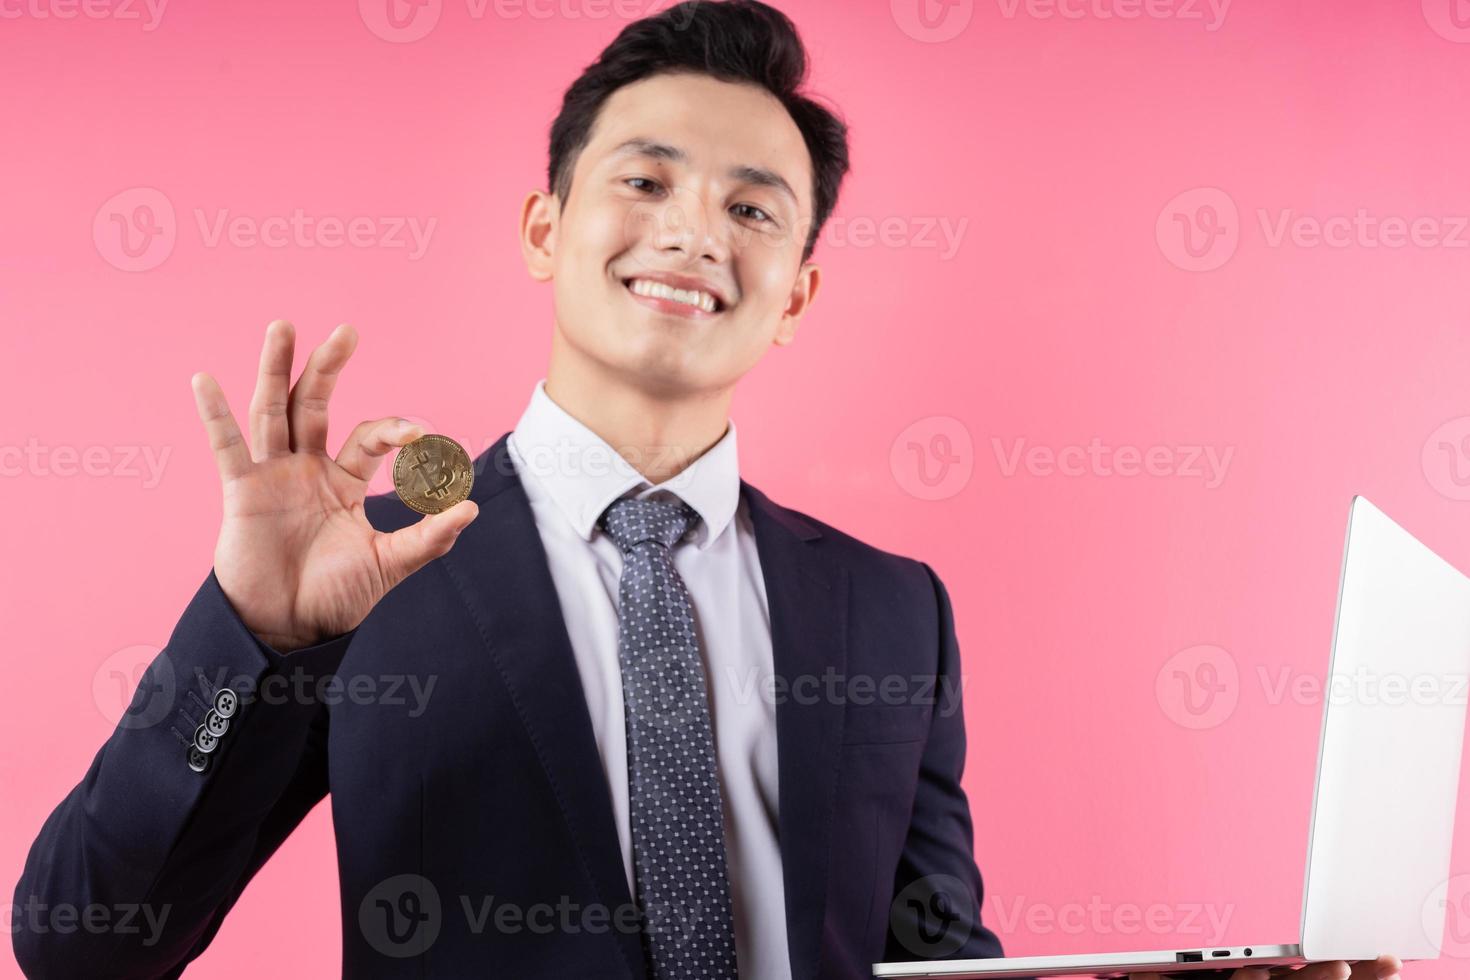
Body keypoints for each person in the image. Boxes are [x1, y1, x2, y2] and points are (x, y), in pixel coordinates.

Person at [9, 2, 1404, 979]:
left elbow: (933, 960)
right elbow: (81, 943)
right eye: (646, 179)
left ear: (795, 291)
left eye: (752, 206)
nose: (694, 231)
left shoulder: (889, 612)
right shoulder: (364, 574)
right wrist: (250, 634)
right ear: (545, 228)